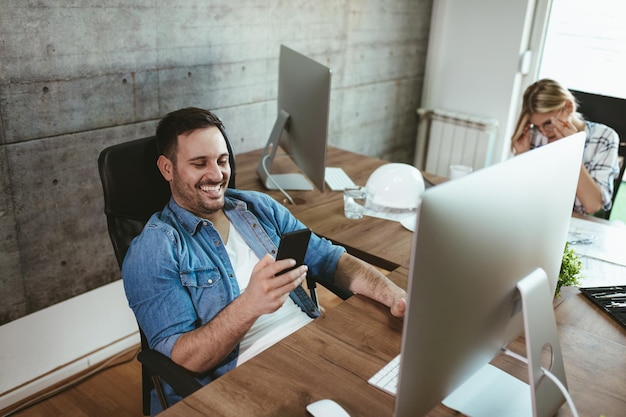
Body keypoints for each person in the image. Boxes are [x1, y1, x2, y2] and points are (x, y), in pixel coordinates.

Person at [122, 107, 407, 414]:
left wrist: (395, 295)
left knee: (398, 389)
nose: (217, 174)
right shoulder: (155, 248)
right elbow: (184, 358)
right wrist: (251, 304)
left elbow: (329, 258)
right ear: (167, 168)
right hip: (244, 377)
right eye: (199, 163)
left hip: (313, 342)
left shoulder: (258, 207)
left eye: (221, 160)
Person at [510, 78, 620, 215]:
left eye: (548, 123)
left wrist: (573, 150)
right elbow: (518, 199)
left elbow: (592, 205)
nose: (544, 132)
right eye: (537, 126)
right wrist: (521, 156)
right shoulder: (534, 137)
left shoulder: (604, 137)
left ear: (568, 107)